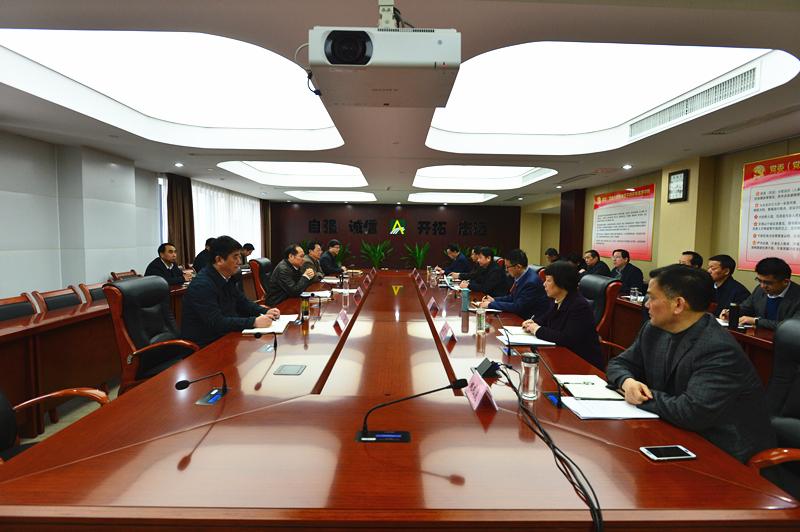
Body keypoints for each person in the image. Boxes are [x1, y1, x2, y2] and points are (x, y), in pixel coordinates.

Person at [606, 265, 774, 463]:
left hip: (721, 451)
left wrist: (640, 396)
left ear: (678, 304)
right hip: (672, 430)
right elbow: (618, 363)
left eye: (651, 298)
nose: (646, 305)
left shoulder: (717, 348)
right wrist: (627, 382)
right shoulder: (653, 330)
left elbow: (691, 412)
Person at [181, 236, 279, 347]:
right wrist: (253, 322)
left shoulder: (227, 277)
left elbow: (243, 302)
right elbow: (216, 322)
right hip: (205, 345)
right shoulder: (202, 285)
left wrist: (265, 311)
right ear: (219, 260)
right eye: (235, 257)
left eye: (240, 256)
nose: (239, 262)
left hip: (226, 336)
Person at [521, 261, 602, 369]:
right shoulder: (558, 300)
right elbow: (545, 319)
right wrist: (532, 323)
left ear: (562, 283)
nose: (544, 284)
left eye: (548, 280)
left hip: (581, 363)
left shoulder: (579, 306)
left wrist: (536, 329)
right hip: (561, 355)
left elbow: (566, 338)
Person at [721, 257, 800, 330]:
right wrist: (731, 313)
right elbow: (746, 308)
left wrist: (756, 321)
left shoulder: (797, 296)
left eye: (768, 283)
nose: (762, 286)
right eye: (759, 280)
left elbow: (792, 327)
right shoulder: (760, 289)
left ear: (785, 282)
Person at [480, 249, 550, 319]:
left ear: (518, 267)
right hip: (518, 315)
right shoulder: (521, 275)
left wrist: (491, 305)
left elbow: (518, 307)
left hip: (528, 319)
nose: (506, 270)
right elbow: (512, 297)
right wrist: (494, 300)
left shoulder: (531, 282)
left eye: (507, 267)